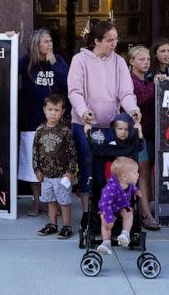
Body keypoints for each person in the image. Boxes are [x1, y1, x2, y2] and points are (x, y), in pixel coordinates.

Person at [67, 20, 140, 230]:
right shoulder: (80, 60)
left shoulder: (118, 62)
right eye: (110, 40)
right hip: (85, 125)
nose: (114, 43)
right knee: (89, 169)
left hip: (111, 126)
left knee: (111, 170)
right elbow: (75, 91)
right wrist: (83, 111)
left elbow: (125, 92)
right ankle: (88, 214)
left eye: (116, 39)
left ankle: (110, 211)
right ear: (97, 41)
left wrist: (132, 109)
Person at [18, 29, 69, 216]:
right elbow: (8, 67)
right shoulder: (28, 62)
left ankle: (53, 202)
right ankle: (36, 201)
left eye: (50, 41)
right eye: (45, 41)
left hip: (55, 124)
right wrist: (9, 39)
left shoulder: (58, 61)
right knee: (33, 165)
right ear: (36, 44)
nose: (49, 44)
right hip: (31, 122)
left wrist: (55, 64)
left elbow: (68, 82)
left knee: (54, 163)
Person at [32, 94, 77, 239]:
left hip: (61, 174)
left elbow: (72, 153)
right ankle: (52, 224)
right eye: (50, 109)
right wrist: (37, 169)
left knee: (64, 201)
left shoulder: (65, 131)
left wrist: (70, 172)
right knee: (50, 200)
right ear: (44, 110)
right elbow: (35, 151)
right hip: (46, 175)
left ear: (63, 111)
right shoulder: (40, 130)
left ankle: (67, 226)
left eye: (56, 110)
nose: (53, 113)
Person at [127, 46, 160, 231]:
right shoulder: (131, 81)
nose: (146, 62)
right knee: (143, 174)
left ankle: (147, 208)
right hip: (137, 136)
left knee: (147, 174)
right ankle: (145, 213)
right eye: (141, 59)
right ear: (131, 61)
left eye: (148, 59)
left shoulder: (146, 80)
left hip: (150, 132)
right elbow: (139, 99)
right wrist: (156, 85)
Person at [96, 157, 140, 255]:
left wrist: (136, 191)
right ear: (124, 176)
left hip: (121, 207)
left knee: (129, 212)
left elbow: (133, 188)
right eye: (135, 173)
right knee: (105, 220)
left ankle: (125, 234)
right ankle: (106, 242)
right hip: (107, 209)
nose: (138, 175)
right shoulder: (111, 188)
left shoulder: (129, 184)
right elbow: (105, 204)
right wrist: (109, 218)